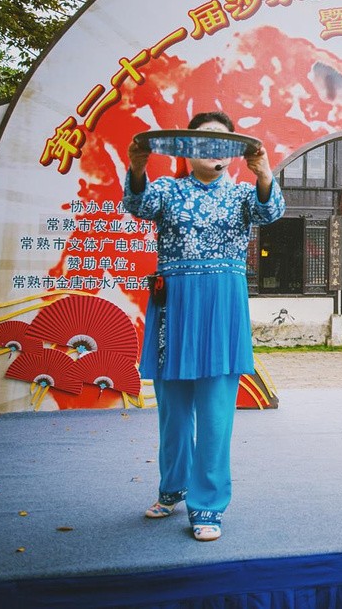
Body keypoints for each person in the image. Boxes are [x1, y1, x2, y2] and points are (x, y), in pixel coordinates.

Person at [123, 111, 285, 541]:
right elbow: (137, 204)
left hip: (222, 304)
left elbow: (270, 212)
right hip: (174, 303)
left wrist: (264, 171)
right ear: (186, 150)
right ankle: (172, 487)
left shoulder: (242, 196)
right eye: (203, 143)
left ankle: (208, 504)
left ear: (233, 151)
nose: (213, 152)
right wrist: (137, 166)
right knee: (174, 409)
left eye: (222, 144)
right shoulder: (168, 190)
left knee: (215, 412)